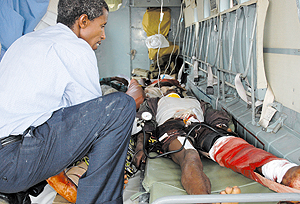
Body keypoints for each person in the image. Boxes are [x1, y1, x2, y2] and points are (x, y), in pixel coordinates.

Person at [0, 0, 136, 204]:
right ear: (83, 21)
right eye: (102, 26)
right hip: (13, 163)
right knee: (120, 107)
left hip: (8, 159)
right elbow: (96, 127)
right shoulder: (76, 48)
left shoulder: (27, 40)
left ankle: (18, 191)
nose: (103, 35)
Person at [132, 81, 300, 197]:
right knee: (190, 156)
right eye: (167, 89)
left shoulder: (196, 101)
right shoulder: (155, 101)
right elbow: (144, 123)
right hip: (171, 127)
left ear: (179, 91)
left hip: (198, 125)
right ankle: (205, 198)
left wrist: (220, 127)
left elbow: (213, 115)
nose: (171, 90)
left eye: (172, 88)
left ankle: (284, 172)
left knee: (231, 145)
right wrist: (141, 147)